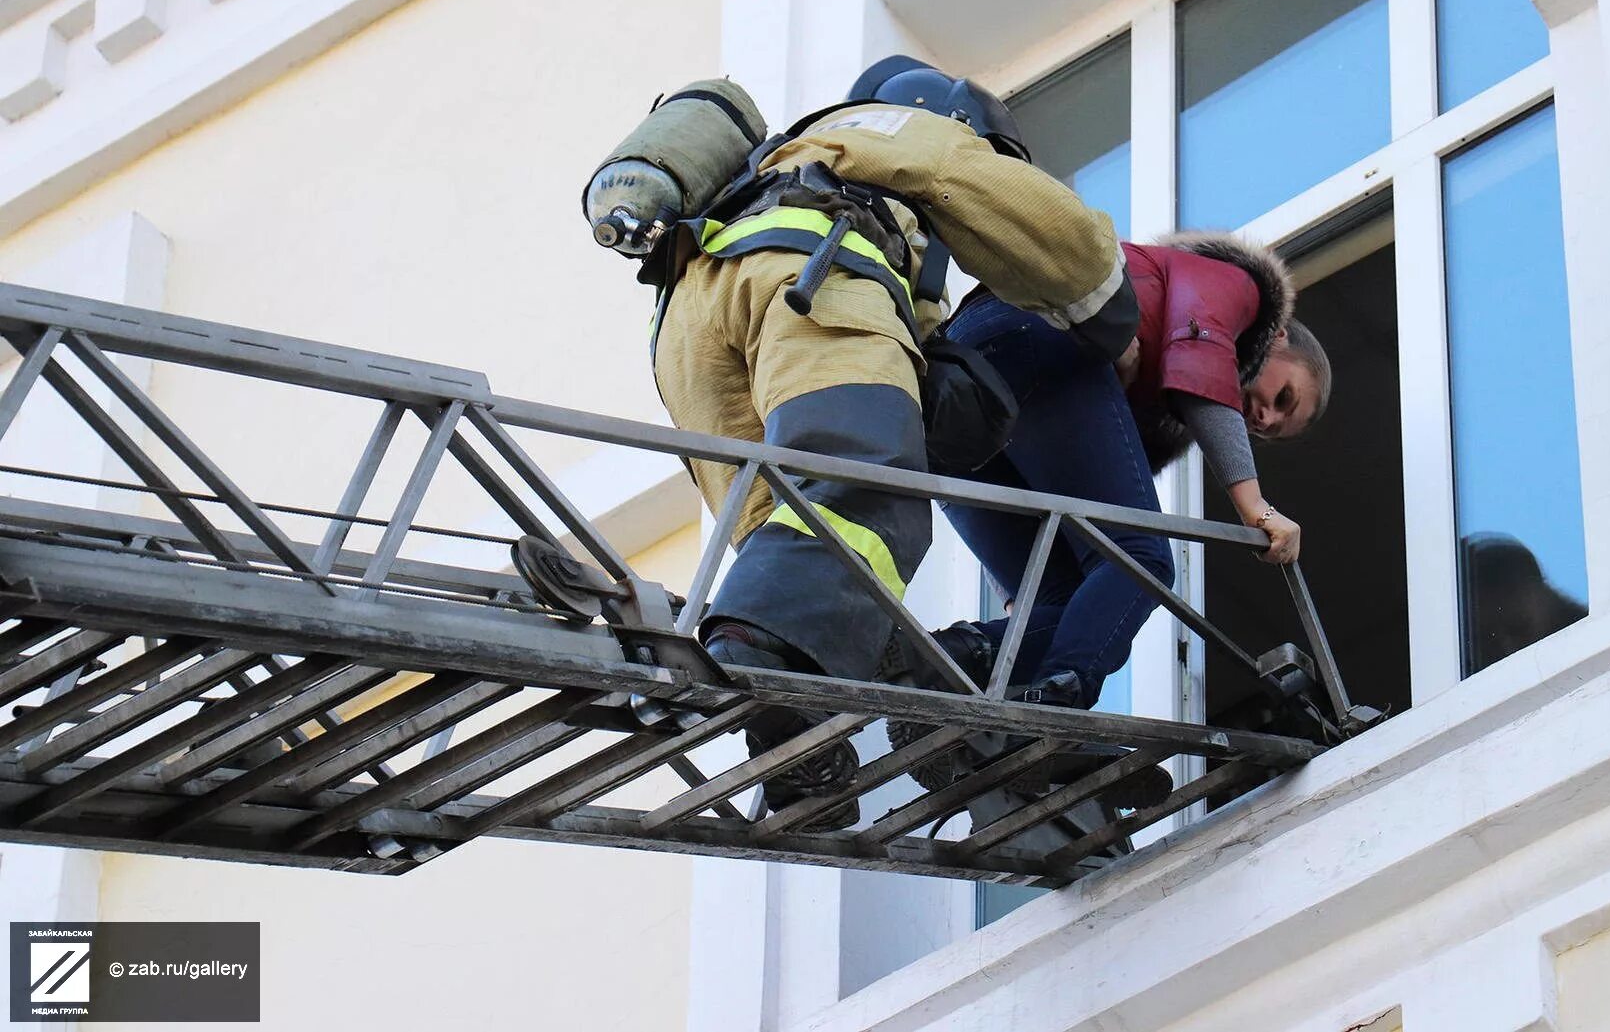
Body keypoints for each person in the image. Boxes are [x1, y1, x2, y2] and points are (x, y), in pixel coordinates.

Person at [518, 57, 1137, 828]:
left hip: (685, 338)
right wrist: (1110, 311)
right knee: (864, 490)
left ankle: (799, 739)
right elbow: (1035, 221)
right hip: (806, 281)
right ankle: (747, 654)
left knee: (796, 541)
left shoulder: (783, 162)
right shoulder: (900, 131)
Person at [928, 231, 1331, 714]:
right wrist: (1256, 508)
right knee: (1141, 558)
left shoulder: (1149, 409)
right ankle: (1058, 706)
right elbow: (1201, 362)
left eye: (1271, 432)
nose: (1263, 419)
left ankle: (944, 662)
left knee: (1071, 601)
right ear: (1279, 336)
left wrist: (1018, 592)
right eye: (1283, 397)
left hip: (953, 386)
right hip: (1026, 331)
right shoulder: (1238, 286)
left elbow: (1044, 492)